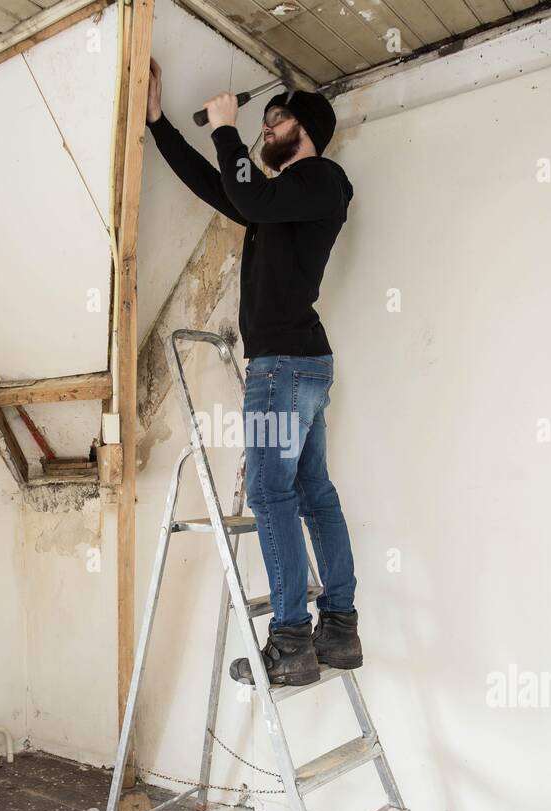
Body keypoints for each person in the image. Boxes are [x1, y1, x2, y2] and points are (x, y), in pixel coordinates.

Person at [144, 59, 359, 687]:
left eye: (276, 121)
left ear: (307, 129)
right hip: (300, 370)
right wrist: (160, 124)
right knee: (313, 494)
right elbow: (224, 189)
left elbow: (247, 189)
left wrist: (227, 128)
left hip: (282, 371)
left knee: (271, 496)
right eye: (261, 124)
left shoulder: (323, 179)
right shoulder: (276, 203)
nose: (265, 131)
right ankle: (339, 631)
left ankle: (292, 642)